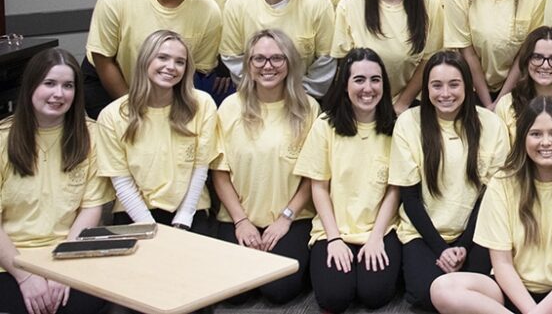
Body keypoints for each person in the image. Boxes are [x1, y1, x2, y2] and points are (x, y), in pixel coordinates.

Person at [430, 96, 552, 314]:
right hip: (512, 290)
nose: (546, 142)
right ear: (523, 138)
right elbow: (502, 265)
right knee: (443, 288)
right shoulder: (501, 183)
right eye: (536, 134)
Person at [389, 50, 510, 310]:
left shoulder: (491, 124)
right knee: (425, 295)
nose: (445, 93)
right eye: (437, 85)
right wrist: (442, 249)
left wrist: (464, 245)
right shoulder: (408, 123)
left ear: (468, 86)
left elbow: (491, 197)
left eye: (454, 84)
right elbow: (410, 198)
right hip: (424, 233)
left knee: (489, 288)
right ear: (426, 88)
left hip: (476, 232)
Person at [0, 49, 112, 314]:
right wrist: (25, 276)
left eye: (68, 86)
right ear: (31, 86)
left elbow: (91, 208)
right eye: (49, 83)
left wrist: (63, 267)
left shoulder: (92, 136)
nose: (58, 94)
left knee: (85, 303)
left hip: (69, 253)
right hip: (9, 260)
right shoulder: (3, 138)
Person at [211, 29, 318, 304]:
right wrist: (241, 221)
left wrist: (285, 219)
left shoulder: (308, 109)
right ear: (248, 64)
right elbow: (220, 173)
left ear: (289, 62)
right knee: (234, 296)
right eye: (258, 59)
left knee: (278, 291)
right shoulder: (230, 107)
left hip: (292, 217)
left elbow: (313, 176)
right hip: (238, 217)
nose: (267, 66)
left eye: (277, 58)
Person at [294, 48, 401, 313]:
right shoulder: (325, 125)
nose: (368, 88)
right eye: (359, 80)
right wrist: (334, 239)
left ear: (384, 85)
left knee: (374, 295)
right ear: (345, 85)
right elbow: (319, 187)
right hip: (333, 229)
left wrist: (376, 237)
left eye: (375, 80)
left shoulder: (397, 127)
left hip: (380, 229)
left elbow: (395, 189)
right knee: (334, 297)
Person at [85, 0, 223, 118]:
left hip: (164, 92)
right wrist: (132, 110)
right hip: (107, 82)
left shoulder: (209, 12)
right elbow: (103, 59)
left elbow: (196, 70)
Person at [95, 30, 217, 232]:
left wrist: (184, 218)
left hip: (190, 209)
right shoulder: (112, 115)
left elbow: (200, 168)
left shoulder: (202, 104)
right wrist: (149, 227)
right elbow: (121, 180)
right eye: (162, 58)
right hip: (134, 212)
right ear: (145, 60)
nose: (171, 67)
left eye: (180, 62)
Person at [333, 0, 444, 114]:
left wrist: (401, 104)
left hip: (409, 105)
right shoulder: (350, 3)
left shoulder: (429, 3)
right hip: (360, 102)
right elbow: (343, 64)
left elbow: (429, 61)